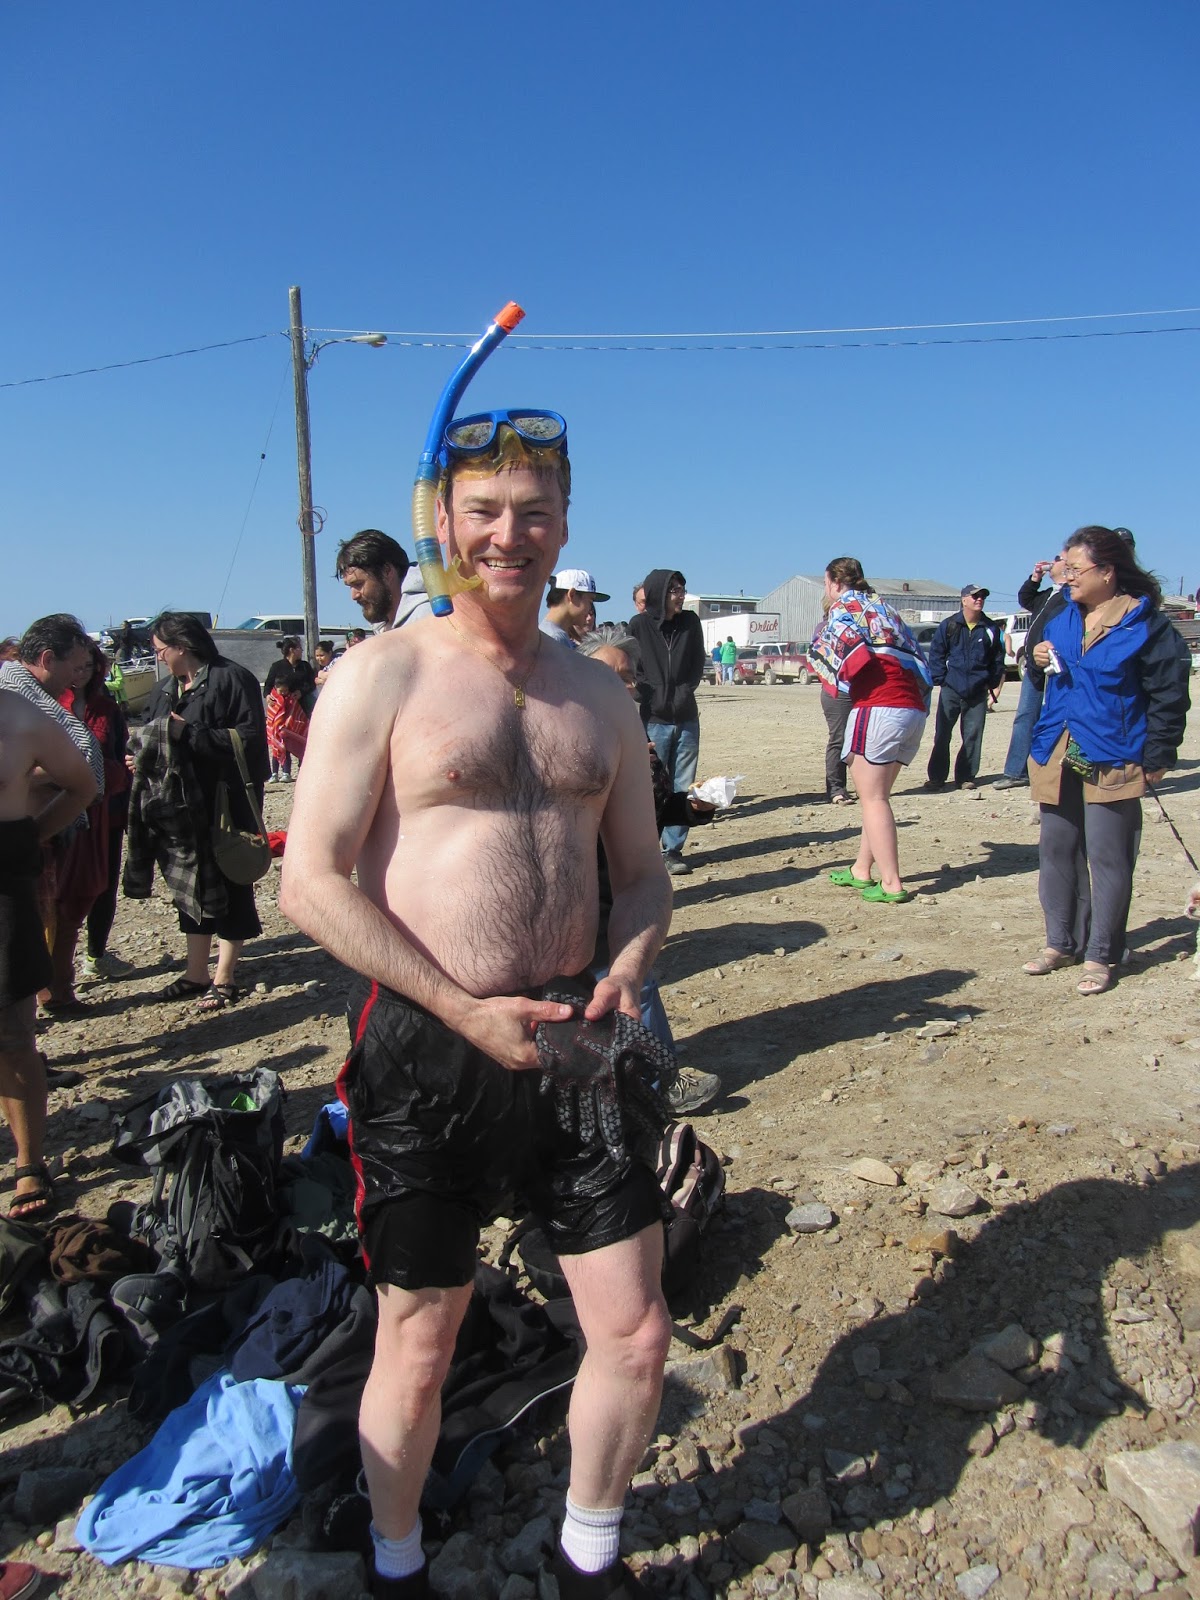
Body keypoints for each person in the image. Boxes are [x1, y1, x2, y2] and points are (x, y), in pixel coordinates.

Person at [281, 406, 674, 1600]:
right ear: (442, 523)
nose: (512, 535)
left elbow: (646, 870)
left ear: (565, 525)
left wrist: (630, 959)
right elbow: (310, 881)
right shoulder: (381, 674)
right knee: (419, 1336)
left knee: (639, 1333)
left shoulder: (599, 697)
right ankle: (398, 1563)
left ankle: (587, 1554)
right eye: (487, 512)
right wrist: (459, 1008)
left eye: (536, 511)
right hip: (427, 1047)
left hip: (578, 1043)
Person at [1023, 526, 1191, 996]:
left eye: (1074, 568)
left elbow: (1169, 694)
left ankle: (1102, 953)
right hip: (1057, 746)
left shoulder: (1147, 624)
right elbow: (1035, 673)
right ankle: (1061, 942)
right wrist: (1033, 658)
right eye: (1065, 566)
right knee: (1056, 848)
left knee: (1108, 855)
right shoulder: (1060, 614)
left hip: (1114, 751)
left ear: (1107, 571)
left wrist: (1159, 753)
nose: (1066, 575)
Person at [578, 622, 720, 1114]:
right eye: (613, 676)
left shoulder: (633, 734)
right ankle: (658, 1085)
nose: (625, 687)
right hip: (586, 887)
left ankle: (629, 1081)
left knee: (626, 978)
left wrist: (692, 806)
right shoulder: (566, 735)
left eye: (630, 678)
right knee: (630, 980)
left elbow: (654, 812)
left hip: (626, 883)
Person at [0, 687, 97, 1220]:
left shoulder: (17, 715)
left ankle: (28, 1160)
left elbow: (82, 785)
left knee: (12, 1034)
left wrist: (30, 836)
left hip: (3, 880)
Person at [140, 613, 269, 1011]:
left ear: (183, 645)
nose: (158, 657)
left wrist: (189, 734)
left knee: (232, 877)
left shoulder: (232, 679)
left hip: (225, 800)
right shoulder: (165, 689)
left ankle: (225, 975)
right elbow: (150, 731)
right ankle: (195, 972)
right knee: (190, 883)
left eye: (161, 649)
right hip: (181, 803)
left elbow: (250, 740)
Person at [810, 558, 931, 903]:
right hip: (912, 709)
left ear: (833, 581)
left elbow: (848, 661)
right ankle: (862, 869)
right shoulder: (885, 608)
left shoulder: (842, 609)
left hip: (879, 706)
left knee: (873, 799)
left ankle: (891, 882)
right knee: (875, 798)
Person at [48, 646, 130, 1007]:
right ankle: (50, 987)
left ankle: (90, 956)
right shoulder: (44, 707)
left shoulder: (107, 709)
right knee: (50, 900)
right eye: (76, 666)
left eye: (88, 667)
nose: (81, 673)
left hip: (102, 817)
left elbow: (120, 757)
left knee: (95, 889)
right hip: (53, 819)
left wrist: (110, 778)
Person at [628, 571, 707, 876]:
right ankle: (646, 847)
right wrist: (652, 694)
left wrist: (684, 691)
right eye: (674, 590)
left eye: (683, 589)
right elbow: (633, 667)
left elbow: (696, 664)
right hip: (654, 718)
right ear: (660, 593)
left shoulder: (691, 623)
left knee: (682, 784)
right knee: (651, 786)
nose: (681, 594)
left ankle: (672, 850)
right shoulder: (639, 625)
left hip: (687, 717)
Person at [924, 585, 1006, 790]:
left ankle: (966, 776)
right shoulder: (949, 625)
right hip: (951, 689)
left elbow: (997, 659)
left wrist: (991, 682)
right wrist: (942, 679)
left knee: (972, 735)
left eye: (983, 597)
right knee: (942, 734)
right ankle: (937, 777)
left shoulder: (990, 628)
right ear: (964, 600)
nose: (979, 599)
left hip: (977, 691)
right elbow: (936, 654)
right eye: (975, 596)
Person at [336, 529, 431, 630]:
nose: (354, 596)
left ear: (387, 572)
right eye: (350, 586)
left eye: (358, 584)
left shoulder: (428, 618)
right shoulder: (383, 626)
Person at [263, 638, 313, 782]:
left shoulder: (304, 666)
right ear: (292, 650)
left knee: (303, 738)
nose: (301, 651)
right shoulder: (277, 666)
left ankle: (304, 769)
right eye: (299, 648)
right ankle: (284, 771)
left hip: (301, 708)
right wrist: (267, 697)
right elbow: (268, 686)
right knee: (283, 737)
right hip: (282, 710)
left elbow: (311, 683)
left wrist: (301, 692)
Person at [541, 568, 609, 648]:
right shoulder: (555, 638)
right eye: (590, 601)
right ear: (572, 595)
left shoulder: (549, 634)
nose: (590, 608)